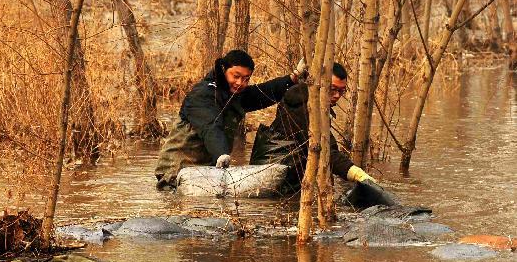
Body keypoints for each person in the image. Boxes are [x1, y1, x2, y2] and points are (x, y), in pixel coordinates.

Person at [155, 49, 307, 188]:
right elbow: (211, 127)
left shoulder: (235, 94)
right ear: (223, 70)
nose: (241, 83)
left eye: (246, 79)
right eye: (236, 76)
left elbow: (263, 93)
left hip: (204, 173)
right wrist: (221, 154)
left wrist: (294, 77)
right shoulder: (202, 95)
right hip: (175, 174)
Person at [249, 62, 375, 192]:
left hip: (286, 179)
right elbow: (324, 149)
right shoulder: (301, 107)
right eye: (332, 89)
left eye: (341, 91)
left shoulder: (316, 106)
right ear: (319, 84)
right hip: (271, 182)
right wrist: (357, 174)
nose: (337, 95)